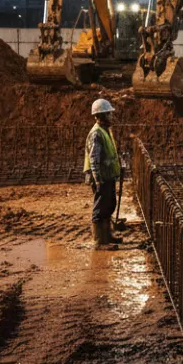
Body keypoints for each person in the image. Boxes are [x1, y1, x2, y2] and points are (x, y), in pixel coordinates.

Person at [84, 98, 123, 250]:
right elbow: (94, 159)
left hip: (107, 175)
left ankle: (107, 235)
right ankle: (100, 242)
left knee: (109, 204)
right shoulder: (96, 134)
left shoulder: (105, 130)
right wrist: (98, 179)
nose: (111, 116)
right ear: (102, 115)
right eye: (109, 114)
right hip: (101, 177)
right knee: (100, 208)